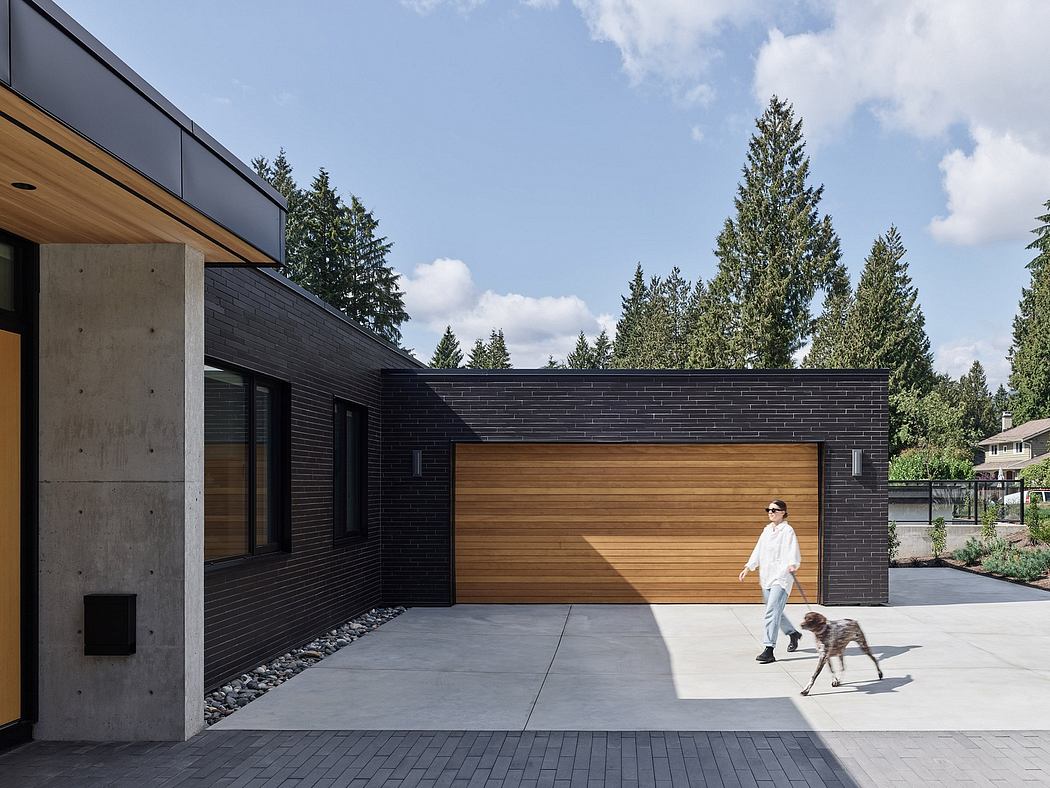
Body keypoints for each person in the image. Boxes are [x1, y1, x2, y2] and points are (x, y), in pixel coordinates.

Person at [738, 499, 802, 664]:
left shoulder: (788, 531)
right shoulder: (766, 530)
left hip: (781, 578)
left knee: (771, 612)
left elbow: (793, 551)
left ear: (783, 512)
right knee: (774, 611)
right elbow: (758, 550)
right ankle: (793, 633)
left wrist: (792, 564)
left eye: (774, 510)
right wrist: (748, 567)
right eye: (769, 510)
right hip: (766, 576)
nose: (771, 512)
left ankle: (769, 649)